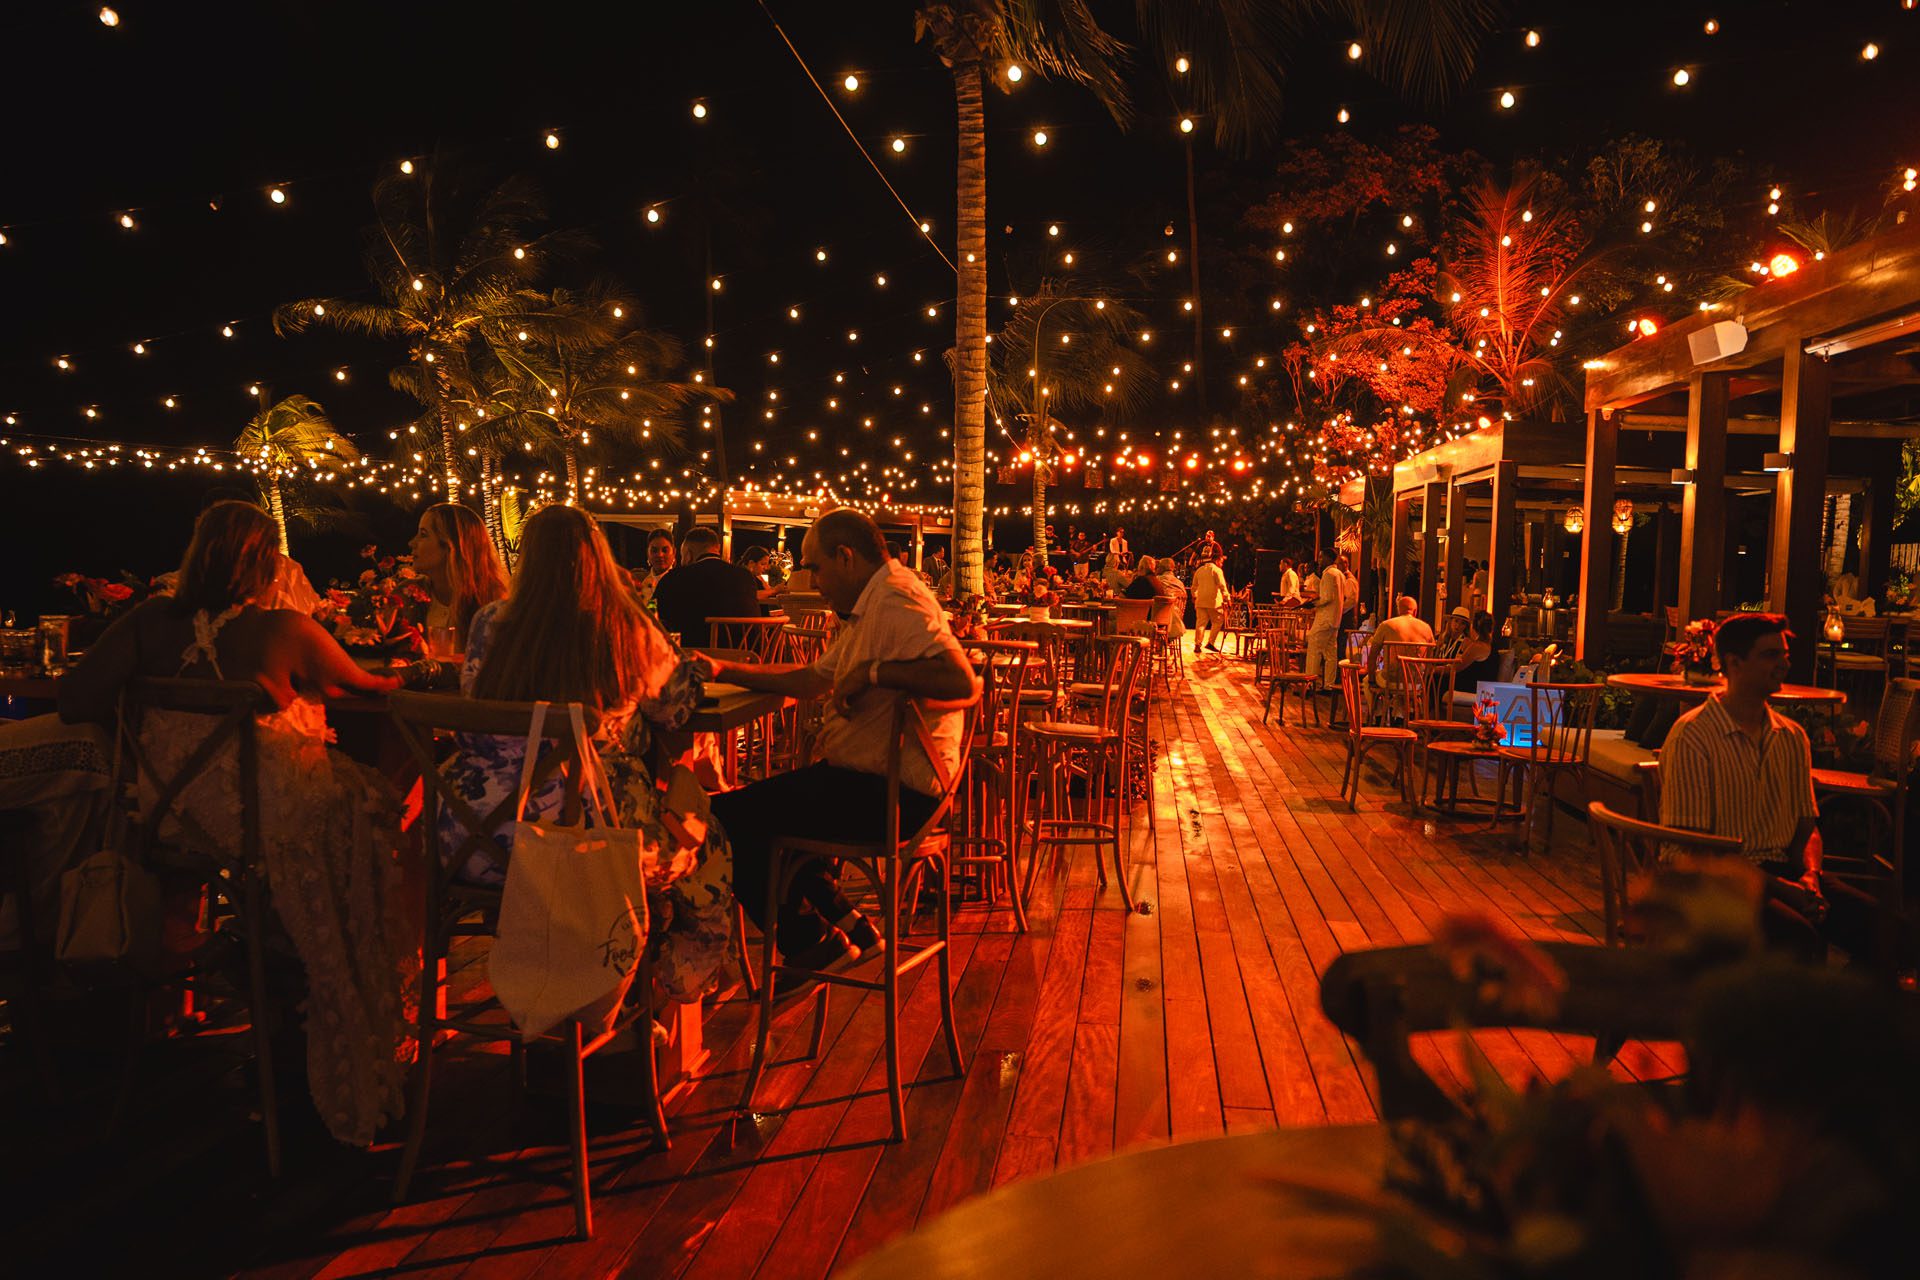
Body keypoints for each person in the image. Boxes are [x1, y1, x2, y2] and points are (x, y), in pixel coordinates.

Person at [58, 500, 413, 1147]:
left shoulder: (145, 625)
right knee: (372, 812)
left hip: (169, 822)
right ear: (265, 563)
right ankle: (315, 991)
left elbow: (76, 698)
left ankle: (257, 955)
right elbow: (364, 687)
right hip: (261, 822)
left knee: (344, 817)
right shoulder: (284, 629)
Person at [442, 503, 733, 1003]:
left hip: (473, 843)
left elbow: (472, 700)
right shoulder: (623, 623)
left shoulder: (489, 621)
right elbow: (676, 707)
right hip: (580, 848)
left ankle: (597, 981)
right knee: (707, 843)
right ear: (597, 557)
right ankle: (666, 985)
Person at [700, 508, 977, 980]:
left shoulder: (895, 600)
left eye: (814, 566)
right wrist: (725, 669)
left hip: (895, 797)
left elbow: (962, 682)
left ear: (845, 557)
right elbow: (811, 680)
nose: (809, 579)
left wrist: (872, 674)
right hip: (868, 784)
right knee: (764, 812)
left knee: (725, 819)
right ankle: (853, 930)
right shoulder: (870, 604)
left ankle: (810, 943)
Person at [1659, 613, 1891, 967]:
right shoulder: (1693, 735)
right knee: (1797, 936)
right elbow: (1699, 848)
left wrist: (1810, 876)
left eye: (1784, 655)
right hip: (1709, 881)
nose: (1784, 663)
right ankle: (1775, 1017)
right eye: (1771, 655)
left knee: (1887, 930)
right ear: (1734, 664)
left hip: (1780, 869)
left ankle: (1845, 1018)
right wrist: (1786, 891)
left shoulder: (1792, 737)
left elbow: (1806, 825)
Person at [407, 502, 509, 652]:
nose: (412, 543)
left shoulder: (492, 603)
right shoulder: (409, 594)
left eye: (423, 534)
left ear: (451, 546)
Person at [652, 526, 764, 646]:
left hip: (699, 656)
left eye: (682, 556)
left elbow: (652, 612)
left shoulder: (675, 578)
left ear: (689, 555)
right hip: (747, 656)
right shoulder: (745, 576)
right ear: (717, 549)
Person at [1366, 595, 1435, 688]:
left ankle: (1381, 703)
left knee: (1367, 682)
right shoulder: (1426, 628)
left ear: (1398, 610)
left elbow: (1372, 656)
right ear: (1415, 612)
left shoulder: (1386, 625)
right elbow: (1430, 660)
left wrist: (1372, 681)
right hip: (1416, 684)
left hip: (1390, 681)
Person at [1305, 551, 1346, 689]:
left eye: (1322, 557)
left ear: (1329, 558)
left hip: (1325, 618)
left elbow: (1327, 597)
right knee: (1330, 654)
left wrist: (1312, 603)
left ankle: (1309, 684)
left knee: (1314, 649)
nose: (1320, 560)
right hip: (1335, 619)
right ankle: (1329, 685)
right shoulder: (1339, 574)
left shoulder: (1328, 574)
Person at [1191, 548, 1230, 652]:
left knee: (1200, 624)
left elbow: (1193, 587)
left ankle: (1197, 645)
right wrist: (1227, 598)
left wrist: (1195, 596)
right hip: (1213, 602)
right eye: (1221, 562)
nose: (1222, 564)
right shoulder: (1217, 570)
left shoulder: (1199, 570)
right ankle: (1211, 642)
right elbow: (1223, 586)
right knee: (1218, 621)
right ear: (1217, 561)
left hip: (1200, 601)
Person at [1451, 612, 1499, 692]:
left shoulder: (1477, 646)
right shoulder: (1491, 646)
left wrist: (1434, 669)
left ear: (1473, 626)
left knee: (1435, 678)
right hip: (1485, 687)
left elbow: (1455, 668)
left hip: (1472, 688)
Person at [634, 528, 676, 608]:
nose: (659, 555)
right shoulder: (641, 582)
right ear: (648, 553)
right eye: (654, 550)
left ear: (674, 552)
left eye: (665, 550)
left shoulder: (680, 581)